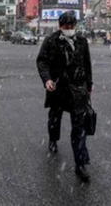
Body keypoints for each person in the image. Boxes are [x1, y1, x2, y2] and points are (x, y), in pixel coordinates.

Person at [36, 10, 93, 182]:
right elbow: (42, 60)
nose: (69, 28)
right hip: (58, 86)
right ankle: (53, 139)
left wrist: (89, 85)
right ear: (60, 26)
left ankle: (80, 164)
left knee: (79, 127)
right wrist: (47, 79)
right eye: (66, 25)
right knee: (55, 116)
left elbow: (87, 64)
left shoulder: (82, 41)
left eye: (72, 25)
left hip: (78, 89)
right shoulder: (51, 40)